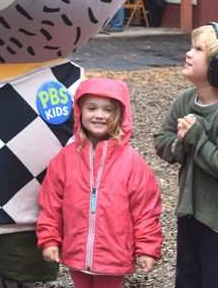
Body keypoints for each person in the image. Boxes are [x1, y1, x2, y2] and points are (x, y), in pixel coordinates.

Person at [153, 22, 218, 288]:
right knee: (186, 281)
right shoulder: (185, 100)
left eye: (199, 50)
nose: (189, 53)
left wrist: (197, 140)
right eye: (192, 47)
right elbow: (162, 139)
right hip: (188, 216)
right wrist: (181, 146)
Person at [37, 78, 162, 288]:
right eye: (91, 108)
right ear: (79, 111)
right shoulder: (65, 158)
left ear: (120, 114)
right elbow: (51, 204)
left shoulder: (132, 162)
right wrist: (49, 239)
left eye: (108, 110)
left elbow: (146, 210)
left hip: (115, 254)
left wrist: (147, 248)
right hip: (76, 251)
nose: (99, 115)